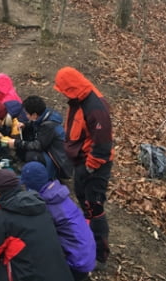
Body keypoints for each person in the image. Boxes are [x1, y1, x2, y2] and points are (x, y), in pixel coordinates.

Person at [0, 169, 74, 281]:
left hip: (29, 276)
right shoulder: (39, 206)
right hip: (60, 272)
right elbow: (20, 232)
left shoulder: (2, 217)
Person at [54, 66, 114, 269]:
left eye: (63, 89)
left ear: (72, 87)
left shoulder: (96, 107)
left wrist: (90, 167)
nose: (62, 93)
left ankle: (100, 254)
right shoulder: (77, 100)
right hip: (79, 161)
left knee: (94, 206)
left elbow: (103, 145)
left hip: (94, 165)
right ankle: (86, 239)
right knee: (83, 201)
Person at [20, 161, 96, 281]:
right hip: (87, 253)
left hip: (76, 263)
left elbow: (36, 235)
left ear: (31, 186)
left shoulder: (47, 206)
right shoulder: (56, 194)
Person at [2, 95, 73, 180]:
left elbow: (38, 145)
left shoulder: (48, 126)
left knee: (31, 155)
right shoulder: (45, 115)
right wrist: (25, 125)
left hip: (58, 160)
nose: (26, 116)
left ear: (35, 114)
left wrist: (16, 143)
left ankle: (46, 175)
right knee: (27, 138)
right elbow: (35, 125)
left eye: (27, 114)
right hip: (49, 149)